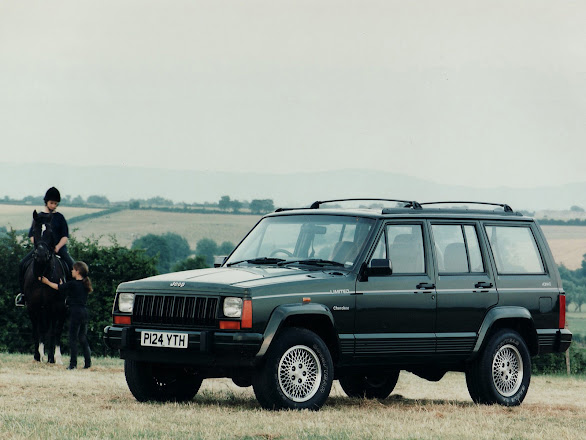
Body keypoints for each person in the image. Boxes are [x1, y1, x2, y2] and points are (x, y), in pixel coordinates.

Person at [16, 186, 75, 306]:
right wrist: (39, 247)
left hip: (58, 249)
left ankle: (69, 296)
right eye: (52, 203)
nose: (54, 205)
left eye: (56, 204)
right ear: (46, 202)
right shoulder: (38, 217)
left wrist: (58, 247)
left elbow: (65, 236)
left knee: (72, 266)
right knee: (22, 264)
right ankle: (23, 295)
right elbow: (32, 235)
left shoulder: (60, 217)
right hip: (40, 249)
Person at [41, 261, 92, 370]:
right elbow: (68, 291)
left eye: (73, 269)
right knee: (82, 337)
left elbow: (58, 287)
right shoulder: (84, 284)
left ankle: (73, 364)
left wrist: (47, 282)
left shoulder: (73, 284)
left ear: (78, 271)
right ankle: (88, 363)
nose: (72, 271)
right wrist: (63, 284)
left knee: (72, 338)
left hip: (75, 312)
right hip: (84, 312)